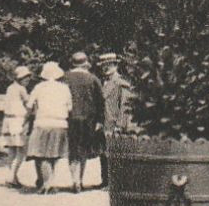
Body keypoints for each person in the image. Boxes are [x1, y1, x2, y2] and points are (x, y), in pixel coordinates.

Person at [61, 51, 104, 193]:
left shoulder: (64, 78)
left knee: (73, 149)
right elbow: (100, 101)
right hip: (88, 120)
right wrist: (100, 120)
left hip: (70, 118)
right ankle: (80, 179)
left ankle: (75, 180)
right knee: (84, 149)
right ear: (86, 64)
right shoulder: (93, 79)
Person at [25, 61, 72, 193]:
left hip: (42, 123)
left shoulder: (39, 87)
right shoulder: (64, 88)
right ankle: (50, 182)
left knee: (42, 154)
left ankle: (47, 183)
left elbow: (29, 106)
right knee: (54, 154)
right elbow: (70, 107)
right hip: (60, 123)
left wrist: (30, 116)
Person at [1, 65, 33, 188]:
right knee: (21, 151)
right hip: (17, 121)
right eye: (26, 78)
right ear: (20, 78)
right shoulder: (21, 89)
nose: (28, 80)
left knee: (12, 151)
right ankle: (11, 177)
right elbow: (28, 104)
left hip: (8, 120)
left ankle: (13, 177)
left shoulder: (10, 88)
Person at [99, 52, 132, 135]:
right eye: (103, 65)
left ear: (116, 66)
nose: (106, 67)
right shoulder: (101, 83)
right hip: (103, 127)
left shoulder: (121, 83)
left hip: (115, 128)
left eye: (109, 65)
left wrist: (119, 126)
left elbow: (125, 106)